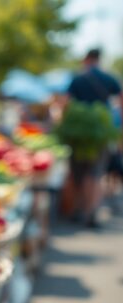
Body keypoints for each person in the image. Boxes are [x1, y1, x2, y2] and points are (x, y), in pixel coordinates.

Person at [66, 48, 123, 227]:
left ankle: (79, 210)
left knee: (79, 174)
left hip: (78, 132)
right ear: (99, 59)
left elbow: (67, 104)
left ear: (87, 58)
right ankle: (92, 212)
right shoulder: (109, 78)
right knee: (96, 174)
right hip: (101, 131)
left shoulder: (78, 78)